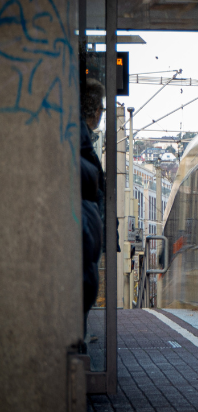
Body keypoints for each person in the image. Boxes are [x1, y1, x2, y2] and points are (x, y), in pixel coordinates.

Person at [80, 78, 105, 352]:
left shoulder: (81, 137)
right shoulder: (79, 138)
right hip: (86, 231)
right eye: (100, 106)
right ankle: (80, 338)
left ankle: (82, 334)